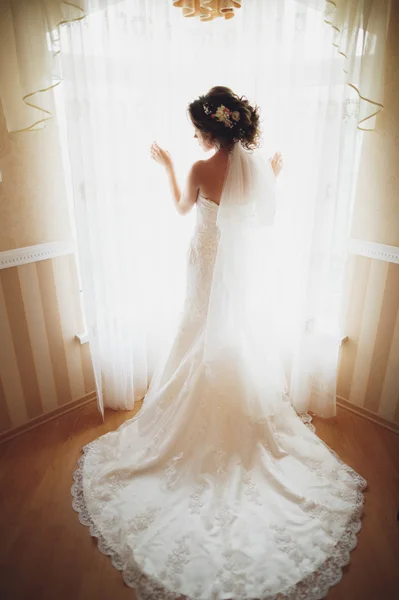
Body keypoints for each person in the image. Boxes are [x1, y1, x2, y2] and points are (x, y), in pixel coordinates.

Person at [72, 87, 366, 600]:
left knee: (197, 329)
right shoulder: (254, 169)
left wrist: (167, 166)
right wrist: (273, 175)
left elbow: (184, 209)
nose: (195, 137)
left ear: (211, 129)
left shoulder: (200, 169)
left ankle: (193, 412)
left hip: (205, 263)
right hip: (239, 270)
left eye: (198, 129)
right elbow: (262, 217)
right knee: (233, 332)